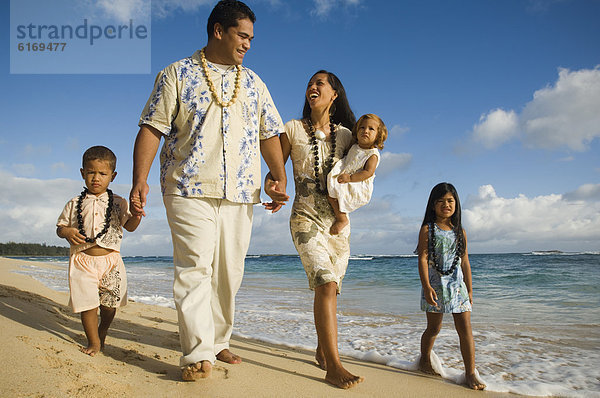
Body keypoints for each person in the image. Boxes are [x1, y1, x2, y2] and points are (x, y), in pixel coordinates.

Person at [129, 0, 288, 381]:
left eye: (251, 37)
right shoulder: (177, 74)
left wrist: (278, 176)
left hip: (240, 192)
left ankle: (218, 340)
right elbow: (152, 127)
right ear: (219, 30)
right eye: (242, 35)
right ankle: (198, 352)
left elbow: (271, 133)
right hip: (187, 186)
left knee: (229, 274)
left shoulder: (253, 82)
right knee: (195, 267)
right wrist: (140, 178)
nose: (248, 44)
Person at [264, 70, 363, 389]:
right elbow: (274, 168)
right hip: (305, 218)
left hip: (337, 222)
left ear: (335, 94)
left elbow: (365, 167)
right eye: (310, 83)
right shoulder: (292, 129)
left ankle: (323, 349)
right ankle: (333, 365)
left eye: (320, 83)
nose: (312, 86)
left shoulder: (348, 136)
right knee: (324, 282)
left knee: (332, 289)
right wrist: (273, 188)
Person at [57, 146, 142, 356]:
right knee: (87, 305)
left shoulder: (119, 203)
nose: (96, 178)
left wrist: (137, 215)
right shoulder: (74, 203)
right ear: (82, 173)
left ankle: (102, 330)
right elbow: (60, 228)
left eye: (102, 174)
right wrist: (67, 231)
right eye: (91, 172)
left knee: (109, 306)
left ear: (112, 176)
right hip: (82, 261)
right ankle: (93, 342)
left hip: (111, 262)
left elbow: (129, 226)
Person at [415, 182, 486, 390]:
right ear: (433, 205)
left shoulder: (460, 231)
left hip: (457, 287)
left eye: (450, 201)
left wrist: (470, 289)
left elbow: (465, 261)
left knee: (465, 329)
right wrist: (426, 286)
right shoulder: (428, 229)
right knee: (434, 328)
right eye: (441, 201)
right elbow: (422, 259)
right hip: (435, 286)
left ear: (456, 204)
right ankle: (425, 359)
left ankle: (470, 373)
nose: (446, 204)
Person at [326, 113, 387, 235]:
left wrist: (350, 178)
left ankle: (342, 219)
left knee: (334, 194)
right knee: (331, 189)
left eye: (371, 129)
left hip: (357, 181)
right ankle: (340, 216)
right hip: (347, 172)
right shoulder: (354, 145)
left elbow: (368, 173)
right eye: (362, 127)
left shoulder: (372, 154)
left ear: (378, 135)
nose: (366, 131)